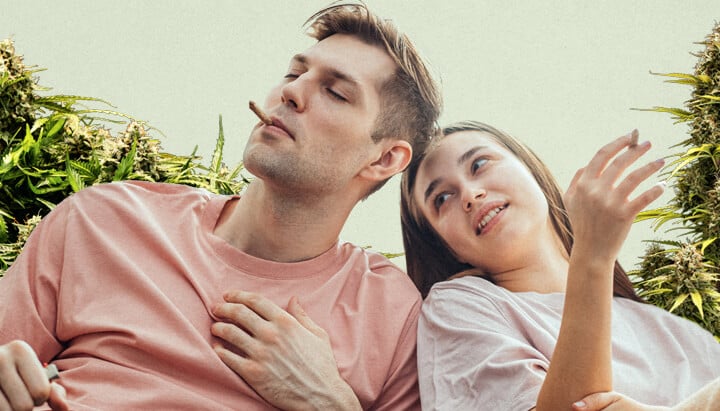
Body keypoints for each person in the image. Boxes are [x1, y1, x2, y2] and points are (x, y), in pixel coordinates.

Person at [0, 3, 442, 410]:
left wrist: (328, 404)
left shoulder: (392, 314)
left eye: (336, 93)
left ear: (384, 159)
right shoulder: (105, 219)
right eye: (293, 74)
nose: (290, 93)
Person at [399, 120, 720, 410]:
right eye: (441, 199)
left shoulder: (670, 331)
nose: (470, 194)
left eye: (479, 164)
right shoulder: (458, 307)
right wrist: (593, 257)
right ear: (447, 248)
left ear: (531, 171)